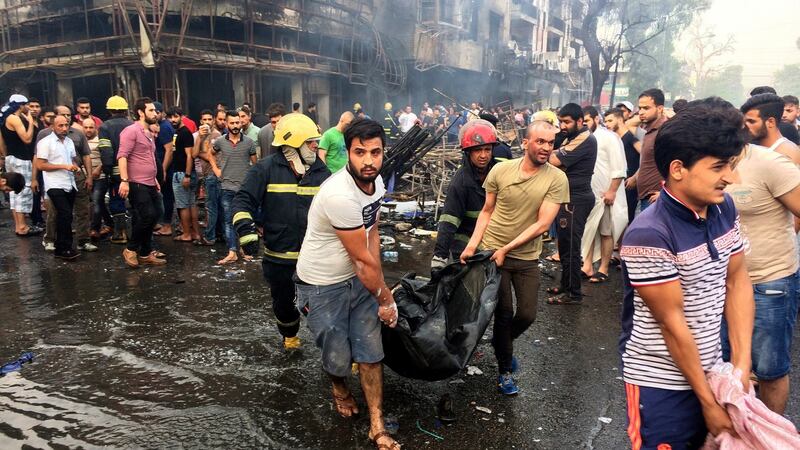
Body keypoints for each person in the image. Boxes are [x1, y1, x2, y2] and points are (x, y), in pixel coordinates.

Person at [620, 99, 753, 449]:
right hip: (660, 384)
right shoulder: (649, 232)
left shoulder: (723, 207)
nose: (730, 177)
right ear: (678, 169)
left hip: (713, 370)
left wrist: (740, 368)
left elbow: (737, 280)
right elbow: (671, 323)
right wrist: (708, 403)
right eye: (719, 166)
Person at [295, 118, 400, 450]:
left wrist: (377, 283)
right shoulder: (339, 194)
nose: (368, 161)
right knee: (338, 358)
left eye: (375, 152)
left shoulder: (378, 183)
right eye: (359, 152)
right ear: (348, 153)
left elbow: (373, 232)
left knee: (370, 353)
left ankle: (377, 426)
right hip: (322, 284)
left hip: (358, 278)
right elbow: (360, 259)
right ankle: (339, 387)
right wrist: (385, 298)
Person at [461, 120, 568, 395]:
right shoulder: (500, 170)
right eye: (540, 142)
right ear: (525, 143)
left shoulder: (557, 179)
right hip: (493, 253)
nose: (545, 148)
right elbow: (487, 211)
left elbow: (543, 224)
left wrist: (507, 249)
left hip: (524, 256)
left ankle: (501, 346)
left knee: (528, 314)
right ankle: (505, 370)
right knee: (505, 314)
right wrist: (472, 246)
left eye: (550, 143)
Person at [233, 113, 330, 349]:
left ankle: (336, 350)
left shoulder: (321, 172)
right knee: (284, 305)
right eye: (310, 142)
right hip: (279, 259)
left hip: (315, 260)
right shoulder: (265, 169)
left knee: (324, 307)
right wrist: (246, 231)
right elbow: (243, 200)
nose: (316, 145)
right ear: (293, 144)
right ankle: (290, 339)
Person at [725, 111, 800, 415]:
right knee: (726, 366)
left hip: (770, 281)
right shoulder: (705, 163)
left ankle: (770, 434)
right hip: (722, 283)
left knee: (769, 369)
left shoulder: (770, 162)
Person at [545, 103, 597, 304]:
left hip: (577, 200)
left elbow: (554, 159)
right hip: (567, 197)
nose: (563, 126)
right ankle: (566, 285)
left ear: (580, 121)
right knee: (565, 246)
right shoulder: (570, 136)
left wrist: (543, 151)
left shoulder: (585, 138)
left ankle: (573, 294)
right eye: (560, 122)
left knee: (572, 248)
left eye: (566, 122)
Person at [431, 119, 498, 270]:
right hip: (465, 242)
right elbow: (449, 220)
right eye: (477, 150)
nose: (483, 155)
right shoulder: (460, 182)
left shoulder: (499, 172)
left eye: (487, 149)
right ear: (468, 152)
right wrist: (439, 257)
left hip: (493, 240)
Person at [39, 105, 96, 253]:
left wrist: (88, 175)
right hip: (55, 181)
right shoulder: (44, 137)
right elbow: (38, 162)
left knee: (82, 210)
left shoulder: (76, 135)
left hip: (74, 178)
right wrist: (34, 179)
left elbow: (84, 156)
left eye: (69, 117)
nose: (66, 122)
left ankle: (82, 240)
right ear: (54, 121)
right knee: (56, 212)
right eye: (63, 117)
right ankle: (52, 240)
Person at [580, 106, 627, 284]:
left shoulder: (608, 138)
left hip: (604, 194)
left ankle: (604, 268)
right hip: (587, 194)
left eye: (587, 121)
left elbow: (619, 168)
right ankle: (587, 266)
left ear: (596, 119)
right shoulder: (582, 139)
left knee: (606, 232)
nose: (584, 125)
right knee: (588, 230)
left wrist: (612, 191)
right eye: (581, 122)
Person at [118, 97, 166, 268]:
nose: (155, 113)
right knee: (147, 215)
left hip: (150, 182)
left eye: (155, 110)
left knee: (157, 213)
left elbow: (149, 158)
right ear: (140, 112)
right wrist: (124, 181)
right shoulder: (131, 131)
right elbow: (122, 156)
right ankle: (131, 249)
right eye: (151, 110)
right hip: (136, 182)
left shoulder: (148, 133)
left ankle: (145, 253)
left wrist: (154, 179)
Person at [212, 111, 257, 265]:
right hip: (226, 188)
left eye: (237, 122)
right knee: (228, 221)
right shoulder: (219, 142)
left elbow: (255, 164)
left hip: (244, 190)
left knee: (244, 221)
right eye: (232, 123)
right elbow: (210, 154)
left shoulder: (249, 142)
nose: (236, 126)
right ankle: (232, 251)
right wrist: (216, 170)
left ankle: (244, 250)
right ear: (226, 124)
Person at [36, 115, 80, 260]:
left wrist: (75, 167)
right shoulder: (45, 142)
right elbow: (41, 165)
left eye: (66, 125)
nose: (64, 128)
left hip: (69, 183)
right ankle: (64, 248)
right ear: (52, 126)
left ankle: (63, 247)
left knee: (66, 216)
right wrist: (64, 166)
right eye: (60, 126)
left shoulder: (69, 142)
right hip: (54, 184)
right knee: (65, 214)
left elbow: (72, 159)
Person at [2, 94, 42, 236]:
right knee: (22, 191)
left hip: (11, 158)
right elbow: (27, 138)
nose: (29, 108)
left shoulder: (5, 118)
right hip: (21, 159)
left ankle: (19, 225)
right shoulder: (15, 118)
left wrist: (5, 156)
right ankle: (23, 226)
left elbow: (1, 141)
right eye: (27, 105)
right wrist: (30, 122)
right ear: (21, 105)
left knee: (13, 191)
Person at [98, 95, 134, 244]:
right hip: (134, 171)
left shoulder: (105, 127)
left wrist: (107, 171)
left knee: (116, 200)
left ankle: (120, 234)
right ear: (125, 110)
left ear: (110, 110)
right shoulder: (132, 125)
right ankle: (134, 234)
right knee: (135, 201)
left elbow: (106, 151)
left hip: (116, 171)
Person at [166, 107, 201, 242]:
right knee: (191, 203)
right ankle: (195, 233)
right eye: (170, 117)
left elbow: (189, 156)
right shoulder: (178, 132)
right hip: (184, 173)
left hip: (183, 173)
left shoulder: (185, 133)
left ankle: (187, 234)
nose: (173, 120)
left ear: (181, 116)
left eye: (175, 116)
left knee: (183, 205)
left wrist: (186, 175)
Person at [628, 89, 667, 211]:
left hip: (656, 198)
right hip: (644, 197)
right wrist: (635, 177)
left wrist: (666, 193)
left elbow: (678, 163)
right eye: (640, 108)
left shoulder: (665, 131)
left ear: (660, 108)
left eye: (646, 108)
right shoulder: (649, 130)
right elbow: (629, 124)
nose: (641, 112)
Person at [604, 107, 641, 224]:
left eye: (610, 121)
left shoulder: (629, 137)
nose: (606, 124)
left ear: (620, 120)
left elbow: (646, 157)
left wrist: (635, 177)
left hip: (630, 185)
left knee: (627, 219)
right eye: (605, 121)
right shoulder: (614, 138)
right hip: (620, 185)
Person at [741, 94, 800, 165]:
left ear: (771, 122)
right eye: (744, 122)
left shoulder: (787, 154)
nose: (745, 126)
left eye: (751, 121)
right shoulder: (750, 148)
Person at [192, 109, 223, 246]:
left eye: (210, 119)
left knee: (212, 207)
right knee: (214, 206)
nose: (207, 122)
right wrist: (199, 137)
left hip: (213, 174)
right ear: (200, 121)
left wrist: (201, 153)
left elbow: (211, 155)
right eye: (204, 120)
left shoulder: (216, 135)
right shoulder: (198, 136)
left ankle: (210, 236)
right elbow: (194, 154)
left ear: (213, 120)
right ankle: (218, 234)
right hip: (206, 174)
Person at [152, 101, 176, 236]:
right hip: (162, 167)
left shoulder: (165, 127)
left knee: (166, 196)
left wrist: (164, 169)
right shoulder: (160, 126)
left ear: (162, 113)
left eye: (157, 112)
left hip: (166, 168)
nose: (155, 115)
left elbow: (169, 150)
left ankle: (167, 225)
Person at [86, 117, 111, 239]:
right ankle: (110, 223)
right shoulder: (81, 141)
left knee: (96, 201)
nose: (88, 130)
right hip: (87, 177)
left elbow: (106, 156)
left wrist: (99, 168)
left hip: (100, 176)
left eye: (91, 127)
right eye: (86, 127)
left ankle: (94, 229)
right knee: (99, 202)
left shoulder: (100, 140)